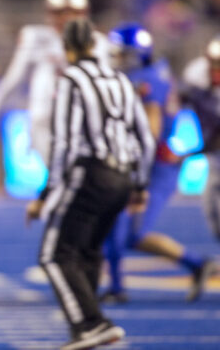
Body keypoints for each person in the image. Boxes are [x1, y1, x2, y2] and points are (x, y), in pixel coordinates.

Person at [25, 19, 155, 350]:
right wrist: (139, 186)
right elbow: (145, 138)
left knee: (53, 255)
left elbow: (65, 143)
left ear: (67, 48)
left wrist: (46, 193)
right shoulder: (121, 80)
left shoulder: (71, 79)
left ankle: (89, 324)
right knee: (87, 252)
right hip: (123, 177)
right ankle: (94, 324)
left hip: (91, 174)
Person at [102, 23, 214, 303]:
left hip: (153, 166)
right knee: (117, 227)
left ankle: (196, 264)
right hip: (149, 162)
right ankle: (119, 286)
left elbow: (150, 131)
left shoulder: (146, 80)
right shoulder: (155, 72)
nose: (119, 60)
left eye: (124, 55)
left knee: (129, 230)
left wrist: (128, 159)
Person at [0, 0, 108, 163]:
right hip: (45, 118)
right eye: (59, 13)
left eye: (73, 12)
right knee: (58, 176)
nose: (66, 18)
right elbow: (12, 82)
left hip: (83, 120)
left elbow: (106, 87)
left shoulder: (98, 42)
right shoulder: (35, 37)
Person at [181, 36, 220, 246]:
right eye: (214, 64)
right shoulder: (195, 76)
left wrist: (196, 151)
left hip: (214, 146)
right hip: (214, 152)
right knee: (212, 212)